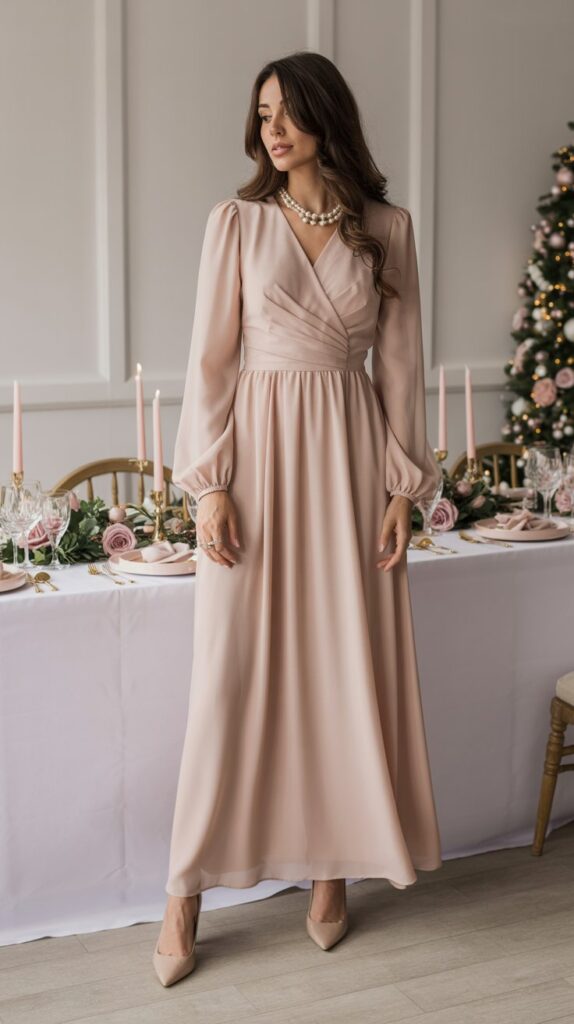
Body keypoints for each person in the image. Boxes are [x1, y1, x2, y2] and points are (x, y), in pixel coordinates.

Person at [153, 50, 443, 988]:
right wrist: (211, 484)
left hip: (352, 468)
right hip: (258, 466)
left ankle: (331, 873)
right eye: (263, 112)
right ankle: (184, 889)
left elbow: (400, 370)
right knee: (227, 680)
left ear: (328, 117)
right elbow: (208, 366)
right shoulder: (235, 223)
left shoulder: (387, 230)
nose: (272, 128)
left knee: (340, 666)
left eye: (288, 111)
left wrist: (403, 486)